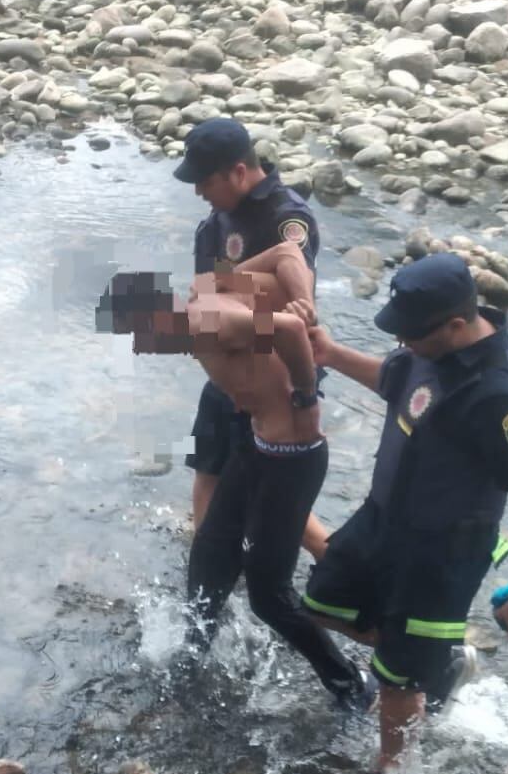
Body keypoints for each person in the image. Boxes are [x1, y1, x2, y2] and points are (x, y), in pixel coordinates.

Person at [297, 253, 508, 771]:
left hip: (442, 551)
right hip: (385, 519)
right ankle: (438, 664)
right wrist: (330, 353)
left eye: (411, 335)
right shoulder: (429, 345)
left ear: (456, 324)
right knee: (322, 601)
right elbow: (398, 380)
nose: (402, 343)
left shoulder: (499, 393)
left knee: (395, 679)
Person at [99, 243, 373, 707]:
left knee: (269, 597)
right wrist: (297, 293)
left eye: (138, 335)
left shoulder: (210, 320)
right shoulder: (208, 288)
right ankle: (195, 652)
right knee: (209, 552)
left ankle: (352, 683)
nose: (142, 348)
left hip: (293, 458)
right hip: (257, 447)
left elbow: (286, 328)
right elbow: (285, 251)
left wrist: (306, 397)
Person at [174, 117, 328, 558]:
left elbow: (291, 297)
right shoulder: (216, 222)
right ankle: (205, 567)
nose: (199, 192)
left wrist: (219, 293)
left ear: (238, 171)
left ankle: (340, 569)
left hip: (273, 372)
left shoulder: (285, 217)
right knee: (207, 467)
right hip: (229, 370)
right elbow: (209, 288)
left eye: (205, 181)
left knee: (273, 495)